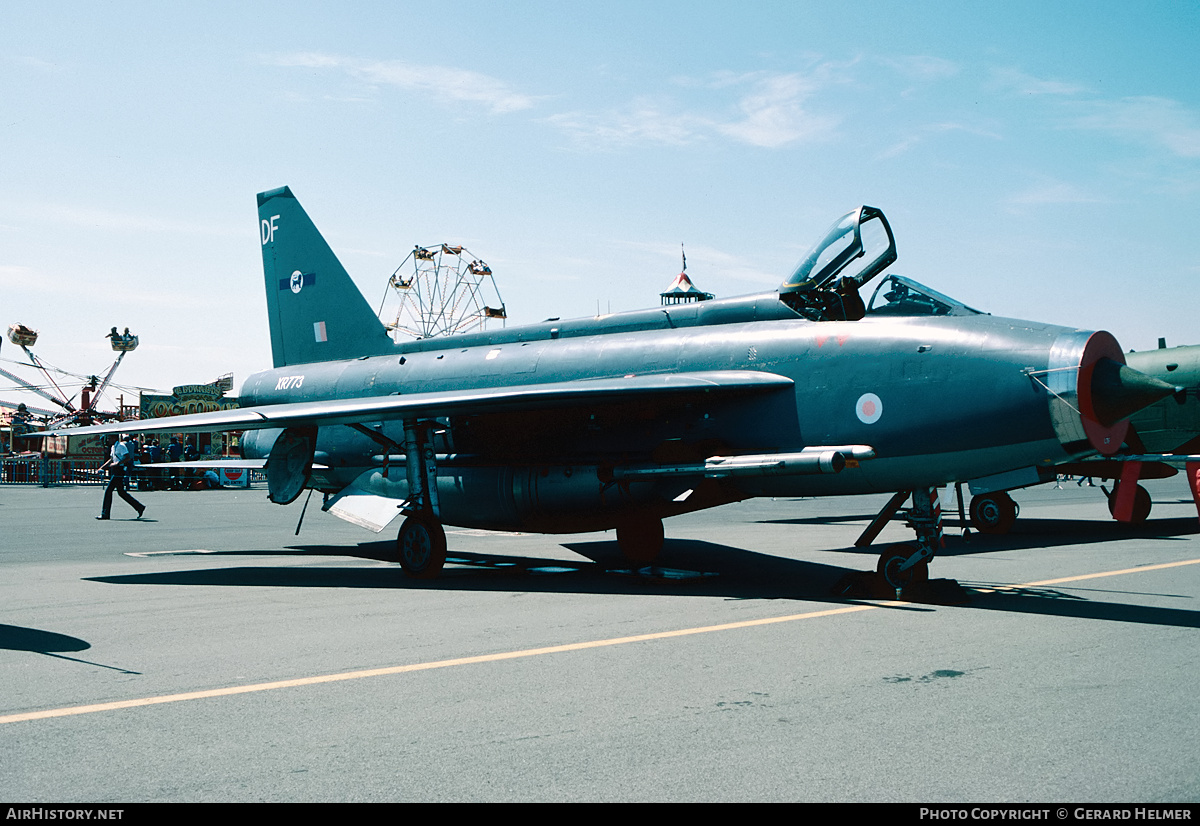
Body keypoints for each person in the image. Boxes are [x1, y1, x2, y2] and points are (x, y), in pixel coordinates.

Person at [97, 435, 145, 520]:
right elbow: (111, 459)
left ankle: (105, 514)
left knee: (108, 491)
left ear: (114, 438)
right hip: (115, 470)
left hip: (119, 470)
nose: (108, 440)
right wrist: (102, 468)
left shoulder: (121, 446)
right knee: (121, 492)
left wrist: (117, 463)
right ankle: (139, 507)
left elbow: (127, 457)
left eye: (109, 438)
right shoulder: (113, 447)